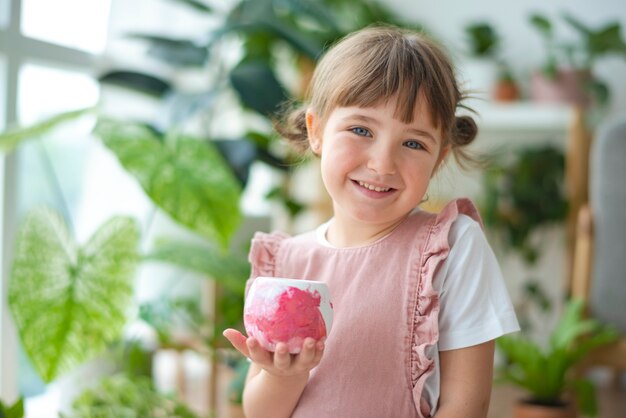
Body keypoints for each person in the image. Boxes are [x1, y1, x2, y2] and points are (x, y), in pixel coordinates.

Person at [223, 24, 519, 418]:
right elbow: (260, 412)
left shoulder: (451, 248)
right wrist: (285, 376)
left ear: (439, 158)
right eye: (361, 129)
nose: (382, 164)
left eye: (413, 143)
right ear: (317, 131)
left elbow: (467, 404)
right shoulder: (286, 265)